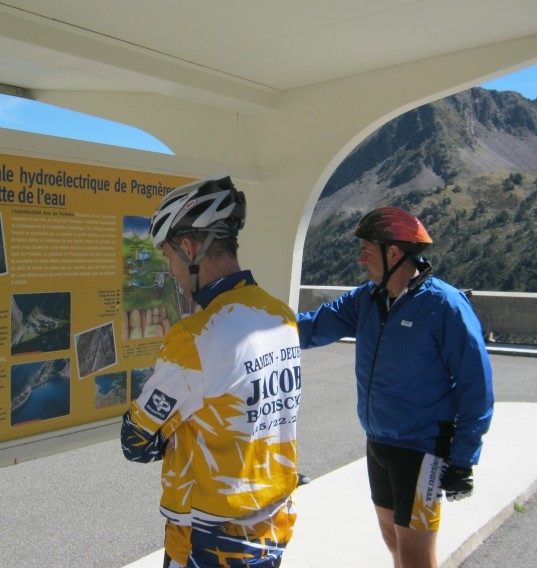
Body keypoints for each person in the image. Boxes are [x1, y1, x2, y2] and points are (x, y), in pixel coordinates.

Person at [121, 176, 302, 568]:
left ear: (189, 248)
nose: (170, 270)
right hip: (270, 526)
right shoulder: (281, 316)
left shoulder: (195, 337)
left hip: (208, 541)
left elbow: (135, 441)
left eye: (168, 256)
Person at [297, 206, 493, 568]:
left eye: (367, 251)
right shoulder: (367, 299)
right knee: (393, 543)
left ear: (394, 253)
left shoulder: (444, 306)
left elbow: (475, 385)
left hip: (423, 447)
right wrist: (255, 324)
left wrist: (464, 457)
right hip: (379, 442)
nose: (360, 259)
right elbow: (313, 326)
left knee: (417, 556)